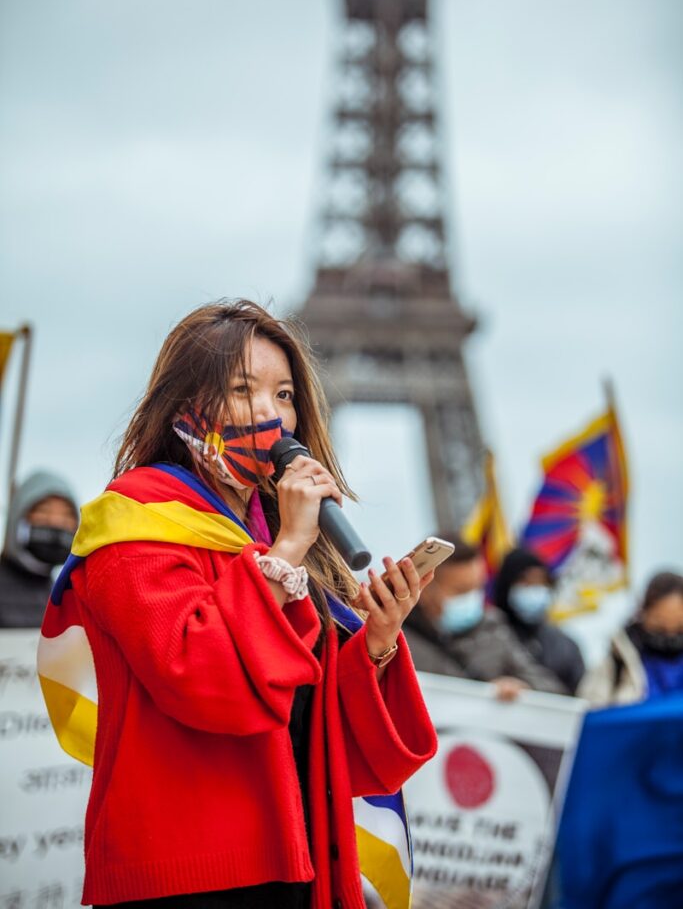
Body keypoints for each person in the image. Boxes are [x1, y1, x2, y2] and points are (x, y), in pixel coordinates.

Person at [45, 300, 437, 909]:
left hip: (297, 856)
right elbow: (197, 675)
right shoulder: (134, 525)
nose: (271, 415)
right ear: (185, 407)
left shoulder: (272, 536)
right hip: (190, 872)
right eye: (241, 389)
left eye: (284, 395)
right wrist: (282, 556)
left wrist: (377, 642)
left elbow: (313, 721)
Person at [403, 536, 566, 699]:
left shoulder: (492, 628)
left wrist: (522, 686)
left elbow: (552, 688)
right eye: (462, 590)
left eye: (479, 587)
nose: (473, 598)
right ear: (425, 589)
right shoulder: (399, 641)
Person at [579, 569, 683, 706]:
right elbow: (589, 712)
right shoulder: (617, 660)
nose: (669, 636)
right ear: (644, 612)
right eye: (660, 625)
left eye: (677, 627)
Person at [493, 547, 585, 695]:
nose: (535, 591)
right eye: (526, 583)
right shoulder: (489, 635)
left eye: (541, 583)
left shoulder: (565, 645)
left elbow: (575, 695)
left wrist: (527, 688)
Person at [0, 470, 78, 627]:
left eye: (67, 515)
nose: (56, 522)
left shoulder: (66, 597)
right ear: (18, 517)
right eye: (44, 511)